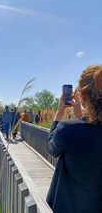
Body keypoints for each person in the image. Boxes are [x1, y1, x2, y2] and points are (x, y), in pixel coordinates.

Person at [46, 65, 102, 213]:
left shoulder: (68, 130)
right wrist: (81, 115)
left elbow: (51, 148)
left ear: (83, 97)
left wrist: (59, 113)